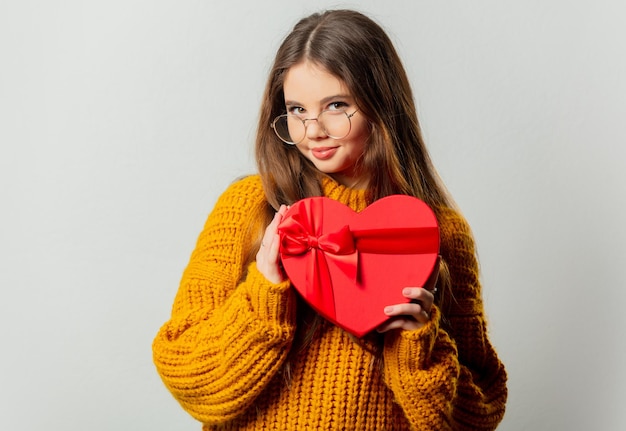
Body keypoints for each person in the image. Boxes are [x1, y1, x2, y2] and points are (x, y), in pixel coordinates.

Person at [152, 9, 507, 431]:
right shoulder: (248, 206)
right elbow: (189, 378)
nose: (313, 130)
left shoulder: (438, 233)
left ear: (381, 104)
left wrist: (418, 345)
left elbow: (480, 414)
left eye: (336, 105)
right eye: (297, 110)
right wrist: (264, 294)